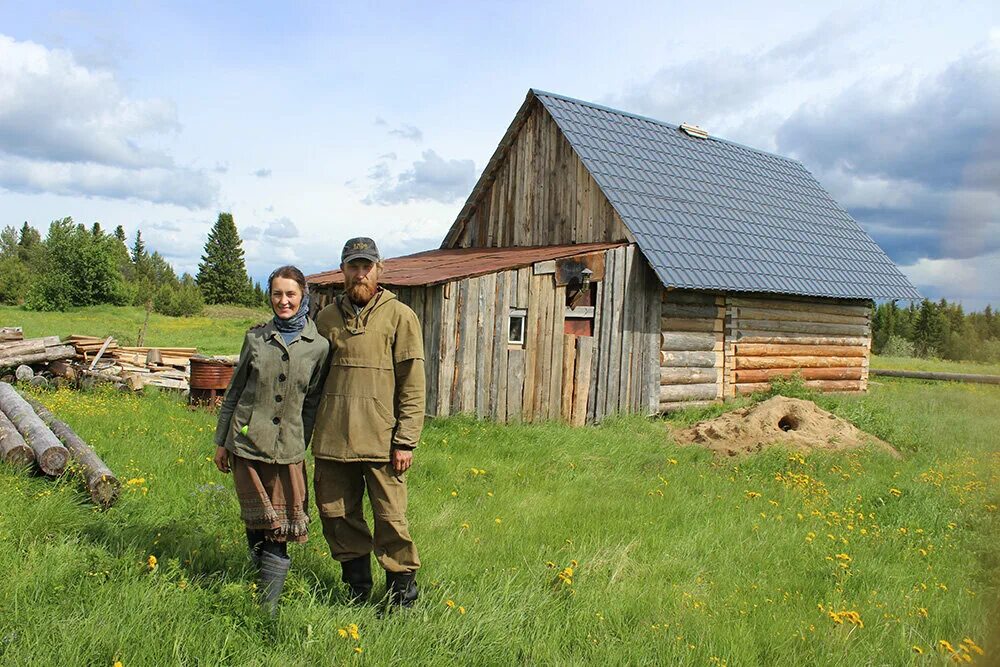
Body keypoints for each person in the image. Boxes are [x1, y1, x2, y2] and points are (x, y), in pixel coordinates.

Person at [311, 237, 425, 607]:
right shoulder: (325, 318)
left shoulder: (400, 316)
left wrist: (405, 439)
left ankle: (401, 600)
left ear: (380, 269)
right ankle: (356, 593)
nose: (360, 274)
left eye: (366, 266)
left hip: (381, 441)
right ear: (342, 270)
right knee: (337, 516)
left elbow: (412, 380)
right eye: (353, 266)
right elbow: (310, 380)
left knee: (391, 518)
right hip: (332, 440)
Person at [213, 265, 330, 616]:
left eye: (290, 294)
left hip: (288, 451)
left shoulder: (318, 347)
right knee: (256, 522)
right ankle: (255, 588)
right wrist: (222, 441)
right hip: (247, 444)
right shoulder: (255, 339)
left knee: (279, 529)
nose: (284, 301)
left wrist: (300, 442)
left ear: (303, 295)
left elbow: (312, 402)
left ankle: (267, 610)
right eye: (277, 294)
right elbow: (234, 392)